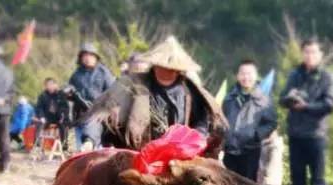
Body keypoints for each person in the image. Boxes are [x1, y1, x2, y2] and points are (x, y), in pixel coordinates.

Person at [81, 36, 226, 155]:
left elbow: (203, 122)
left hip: (179, 157)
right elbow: (100, 116)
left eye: (172, 69)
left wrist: (193, 140)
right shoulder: (131, 85)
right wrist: (90, 140)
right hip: (137, 154)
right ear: (154, 65)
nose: (167, 71)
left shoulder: (190, 93)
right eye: (163, 67)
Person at [279, 39, 333, 185]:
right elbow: (282, 99)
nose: (309, 56)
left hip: (316, 133)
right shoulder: (295, 74)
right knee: (297, 177)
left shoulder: (327, 77)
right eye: (306, 52)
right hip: (296, 133)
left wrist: (306, 107)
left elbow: (329, 104)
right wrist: (290, 100)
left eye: (313, 52)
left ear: (320, 55)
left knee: (317, 177)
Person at [223, 59, 278, 185]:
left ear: (256, 76)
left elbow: (271, 123)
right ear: (238, 76)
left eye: (249, 73)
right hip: (231, 149)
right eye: (242, 73)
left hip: (250, 150)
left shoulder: (263, 100)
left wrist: (257, 135)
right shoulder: (229, 98)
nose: (246, 77)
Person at [68, 43, 115, 150]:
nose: (88, 58)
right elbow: (71, 95)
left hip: (99, 115)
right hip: (80, 116)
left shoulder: (104, 73)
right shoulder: (76, 75)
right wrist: (68, 95)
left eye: (91, 55)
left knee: (93, 147)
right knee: (81, 153)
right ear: (81, 58)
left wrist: (106, 109)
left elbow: (114, 92)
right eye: (85, 56)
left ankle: (89, 143)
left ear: (96, 57)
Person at [35, 78, 69, 149]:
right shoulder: (42, 96)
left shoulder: (61, 94)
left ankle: (64, 146)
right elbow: (39, 107)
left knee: (64, 124)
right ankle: (37, 145)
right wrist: (42, 117)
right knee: (39, 123)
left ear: (55, 85)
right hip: (47, 117)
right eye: (47, 85)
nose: (49, 87)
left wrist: (63, 116)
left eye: (51, 85)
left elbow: (65, 107)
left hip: (59, 117)